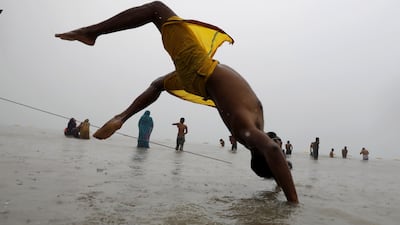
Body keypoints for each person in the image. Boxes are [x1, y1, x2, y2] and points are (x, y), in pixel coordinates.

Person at [55, 1, 298, 203]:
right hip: (195, 79)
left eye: (276, 150)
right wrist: (279, 177)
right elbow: (275, 156)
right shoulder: (256, 132)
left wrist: (293, 203)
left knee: (155, 9)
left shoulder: (247, 131)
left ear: (263, 153)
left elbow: (273, 151)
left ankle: (91, 33)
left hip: (199, 69)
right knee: (159, 84)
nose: (277, 141)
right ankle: (121, 118)